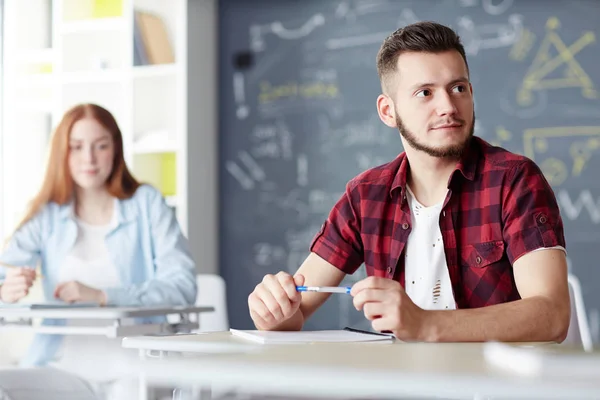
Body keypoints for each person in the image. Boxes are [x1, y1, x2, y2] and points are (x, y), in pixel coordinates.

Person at [248, 21, 570, 343]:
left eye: (458, 88)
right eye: (425, 93)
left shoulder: (515, 180)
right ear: (389, 111)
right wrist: (275, 311)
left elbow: (551, 316)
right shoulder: (365, 196)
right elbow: (296, 311)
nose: (447, 107)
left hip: (491, 390)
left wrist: (426, 324)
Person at [0, 103, 197, 397]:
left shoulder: (147, 203)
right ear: (62, 153)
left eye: (100, 146)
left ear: (115, 149)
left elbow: (182, 285)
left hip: (134, 367)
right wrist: (5, 288)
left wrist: (103, 296)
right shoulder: (47, 214)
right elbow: (5, 270)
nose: (88, 158)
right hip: (62, 367)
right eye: (76, 147)